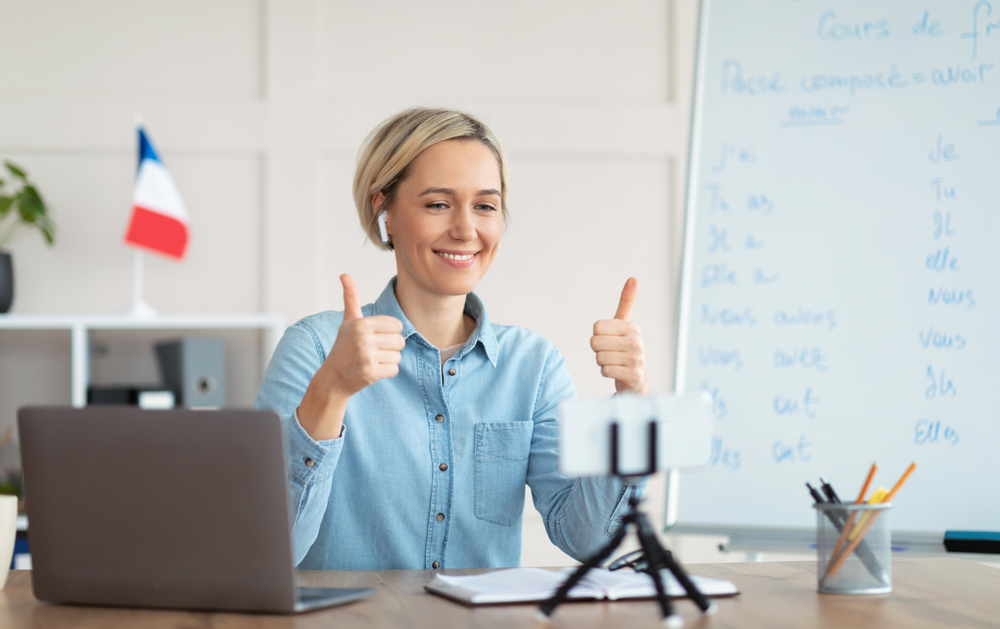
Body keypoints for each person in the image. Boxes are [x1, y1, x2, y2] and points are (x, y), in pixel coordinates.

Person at [254, 108, 650, 570]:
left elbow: (586, 540)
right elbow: (267, 553)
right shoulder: (315, 348)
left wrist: (632, 404)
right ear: (385, 212)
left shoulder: (534, 365)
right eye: (438, 204)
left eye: (485, 205)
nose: (466, 230)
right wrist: (331, 392)